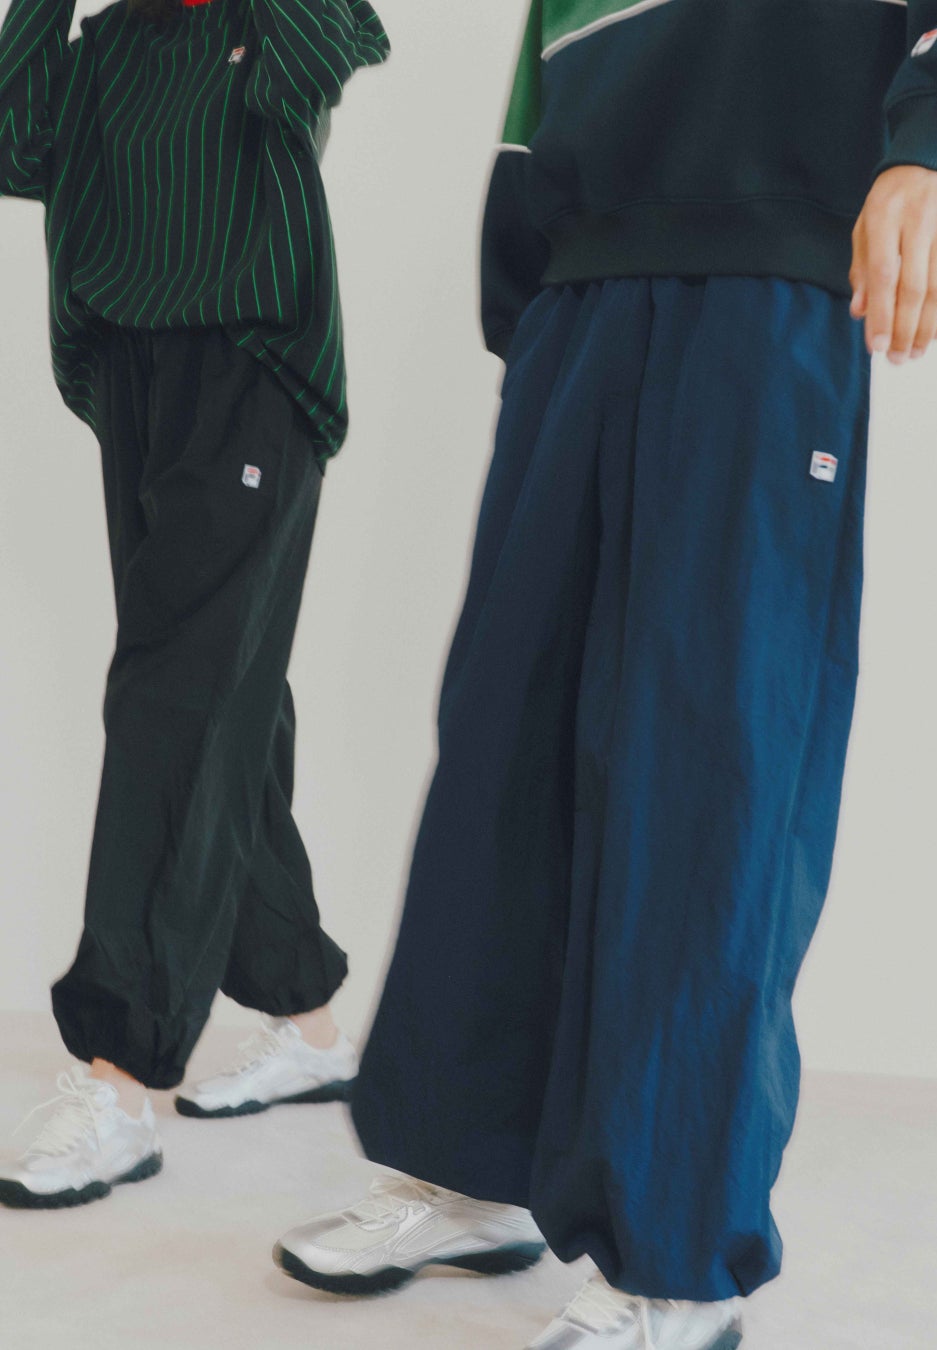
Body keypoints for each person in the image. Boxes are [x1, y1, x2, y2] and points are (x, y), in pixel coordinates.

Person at [273, 0, 937, 1345]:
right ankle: (470, 1164)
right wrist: (525, 284)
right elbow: (543, 73)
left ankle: (674, 1251)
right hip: (582, 291)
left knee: (705, 759)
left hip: (768, 274)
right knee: (502, 745)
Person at [0, 0, 388, 1209]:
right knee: (221, 693)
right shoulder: (107, 48)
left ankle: (119, 1073)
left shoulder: (275, 25)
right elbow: (12, 145)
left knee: (173, 696)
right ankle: (307, 1019)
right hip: (132, 373)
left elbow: (319, 62)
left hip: (251, 375)